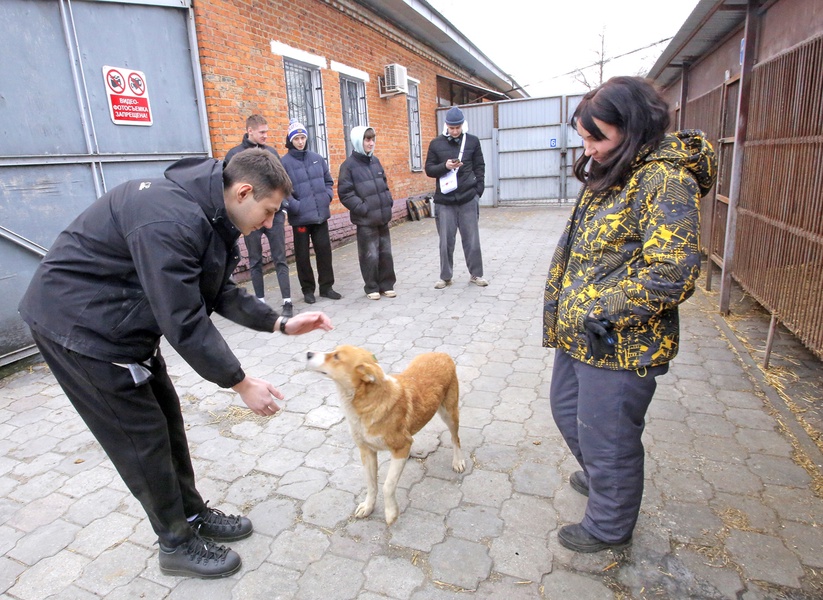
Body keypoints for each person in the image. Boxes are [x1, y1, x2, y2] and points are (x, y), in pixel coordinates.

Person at [18, 148, 334, 578]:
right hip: (81, 331)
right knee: (141, 440)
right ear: (244, 191)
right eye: (267, 211)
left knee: (168, 423)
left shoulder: (212, 215)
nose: (268, 223)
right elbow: (183, 318)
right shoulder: (170, 220)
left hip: (124, 326)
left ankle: (191, 513)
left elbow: (217, 290)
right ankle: (175, 543)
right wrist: (240, 382)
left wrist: (279, 324)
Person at [543, 76, 716, 553]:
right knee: (567, 411)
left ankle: (609, 525)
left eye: (597, 137)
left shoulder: (665, 180)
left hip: (621, 340)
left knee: (609, 436)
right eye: (583, 136)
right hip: (584, 331)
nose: (589, 148)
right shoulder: (618, 167)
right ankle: (604, 477)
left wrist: (601, 307)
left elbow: (673, 272)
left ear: (633, 128)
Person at [225, 114, 293, 317]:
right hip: (250, 218)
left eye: (267, 131)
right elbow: (229, 187)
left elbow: (283, 182)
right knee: (254, 260)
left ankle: (287, 301)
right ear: (250, 131)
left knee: (280, 257)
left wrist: (284, 208)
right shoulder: (234, 155)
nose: (266, 135)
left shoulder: (271, 153)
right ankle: (260, 303)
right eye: (262, 132)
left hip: (274, 214)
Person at [425, 106, 488, 289]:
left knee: (472, 239)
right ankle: (445, 277)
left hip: (468, 198)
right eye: (451, 128)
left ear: (462, 125)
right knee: (445, 241)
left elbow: (480, 166)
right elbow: (429, 169)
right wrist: (444, 166)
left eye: (457, 127)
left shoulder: (473, 142)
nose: (454, 131)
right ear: (446, 126)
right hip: (445, 201)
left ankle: (476, 275)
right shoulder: (436, 144)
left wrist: (478, 191)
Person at [280, 119, 341, 305]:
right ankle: (308, 290)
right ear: (291, 140)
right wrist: (295, 206)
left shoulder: (317, 158)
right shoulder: (284, 163)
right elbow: (281, 191)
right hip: (300, 219)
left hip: (320, 215)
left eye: (302, 137)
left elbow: (328, 181)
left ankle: (326, 287)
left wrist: (326, 196)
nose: (300, 141)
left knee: (324, 252)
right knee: (302, 256)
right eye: (296, 138)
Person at [338, 125, 397, 300]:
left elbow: (384, 184)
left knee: (385, 253)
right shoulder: (348, 166)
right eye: (367, 140)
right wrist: (363, 208)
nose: (371, 143)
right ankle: (371, 287)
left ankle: (387, 284)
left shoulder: (375, 161)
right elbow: (345, 193)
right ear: (358, 141)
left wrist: (388, 201)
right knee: (369, 255)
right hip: (365, 220)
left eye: (372, 139)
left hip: (382, 217)